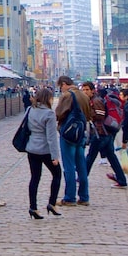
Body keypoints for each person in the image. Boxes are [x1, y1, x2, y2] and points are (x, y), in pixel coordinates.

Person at [25, 87, 63, 219]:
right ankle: (52, 203)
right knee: (57, 174)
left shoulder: (30, 110)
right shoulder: (49, 113)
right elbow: (51, 137)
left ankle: (33, 207)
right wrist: (55, 156)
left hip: (32, 148)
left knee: (35, 178)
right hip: (45, 150)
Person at [54, 75, 90, 207]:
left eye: (60, 87)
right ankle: (84, 196)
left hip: (68, 134)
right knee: (81, 165)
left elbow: (59, 114)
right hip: (81, 133)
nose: (61, 89)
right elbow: (88, 114)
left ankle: (70, 197)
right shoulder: (84, 95)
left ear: (64, 84)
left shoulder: (67, 95)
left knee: (69, 166)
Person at [84, 84, 128, 188]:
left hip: (100, 133)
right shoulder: (95, 100)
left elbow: (100, 115)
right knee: (111, 157)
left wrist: (89, 114)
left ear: (93, 90)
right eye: (84, 90)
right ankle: (122, 180)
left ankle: (82, 177)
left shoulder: (96, 101)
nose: (85, 92)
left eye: (87, 90)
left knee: (91, 156)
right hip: (106, 133)